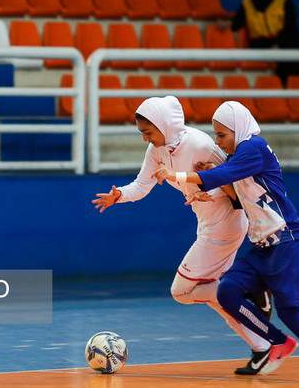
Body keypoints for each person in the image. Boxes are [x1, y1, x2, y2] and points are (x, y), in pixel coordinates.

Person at [153, 101, 299, 383]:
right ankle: (277, 342)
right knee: (228, 291)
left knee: (289, 311)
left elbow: (223, 174)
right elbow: (234, 195)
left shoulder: (253, 147)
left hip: (287, 240)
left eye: (222, 135)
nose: (218, 141)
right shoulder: (239, 158)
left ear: (238, 129)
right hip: (263, 247)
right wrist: (201, 191)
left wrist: (178, 175)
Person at [92, 96, 273, 375]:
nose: (146, 140)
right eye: (142, 134)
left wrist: (205, 188)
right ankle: (263, 345)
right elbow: (142, 185)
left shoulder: (200, 144)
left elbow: (237, 184)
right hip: (208, 224)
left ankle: (246, 287)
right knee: (217, 298)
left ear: (165, 125)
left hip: (226, 225)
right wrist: (119, 196)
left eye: (149, 133)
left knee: (180, 291)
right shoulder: (157, 150)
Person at [227, 0, 299, 85]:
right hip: (260, 44)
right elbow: (236, 24)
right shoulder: (247, 4)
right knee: (288, 52)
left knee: (293, 41)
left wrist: (277, 44)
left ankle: (291, 86)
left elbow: (291, 26)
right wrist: (225, 22)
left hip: (281, 40)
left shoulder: (284, 0)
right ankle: (288, 87)